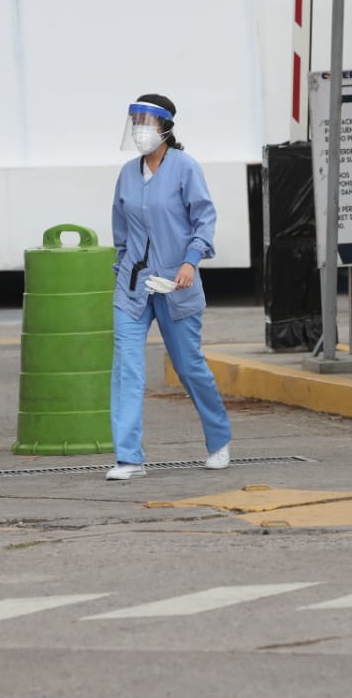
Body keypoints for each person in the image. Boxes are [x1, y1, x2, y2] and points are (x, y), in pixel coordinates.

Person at [107, 94, 231, 480]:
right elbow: (121, 229)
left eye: (147, 121)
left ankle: (219, 439)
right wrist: (125, 267)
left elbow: (204, 219)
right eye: (136, 121)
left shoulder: (185, 168)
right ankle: (129, 458)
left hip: (176, 283)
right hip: (133, 286)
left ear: (165, 128)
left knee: (189, 366)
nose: (140, 128)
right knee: (127, 369)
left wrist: (190, 262)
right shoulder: (128, 173)